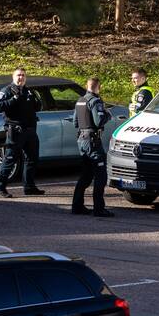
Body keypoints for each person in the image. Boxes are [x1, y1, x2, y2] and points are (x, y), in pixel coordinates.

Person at [0, 67, 44, 198]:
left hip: (30, 131)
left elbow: (37, 107)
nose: (21, 78)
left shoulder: (29, 91)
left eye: (23, 75)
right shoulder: (7, 90)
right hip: (16, 131)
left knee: (32, 159)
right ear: (13, 77)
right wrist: (14, 98)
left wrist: (38, 100)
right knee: (10, 160)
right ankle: (0, 188)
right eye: (18, 75)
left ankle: (29, 187)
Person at [72, 77, 113, 217]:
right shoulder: (95, 102)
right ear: (98, 87)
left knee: (86, 175)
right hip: (92, 141)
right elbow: (99, 121)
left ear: (86, 86)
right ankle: (99, 208)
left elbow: (75, 123)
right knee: (100, 175)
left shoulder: (80, 101)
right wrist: (108, 115)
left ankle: (77, 206)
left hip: (82, 140)